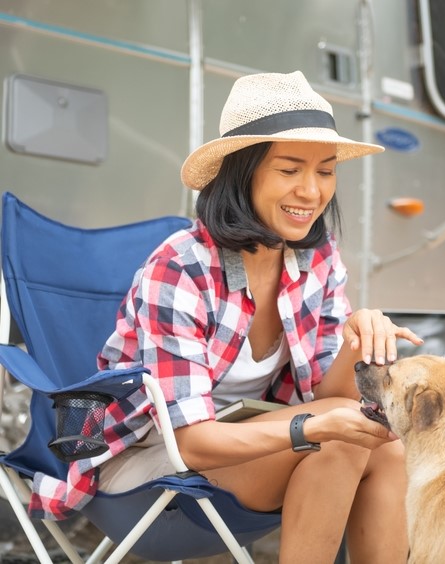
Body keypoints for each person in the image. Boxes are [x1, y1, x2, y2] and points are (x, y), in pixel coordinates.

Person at [93, 71, 423, 563]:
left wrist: (357, 342)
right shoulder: (179, 268)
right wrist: (310, 428)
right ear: (241, 173)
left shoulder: (317, 259)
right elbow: (195, 441)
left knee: (381, 443)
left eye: (326, 171)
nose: (312, 192)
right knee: (337, 437)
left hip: (258, 447)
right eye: (290, 170)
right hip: (148, 467)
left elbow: (327, 398)